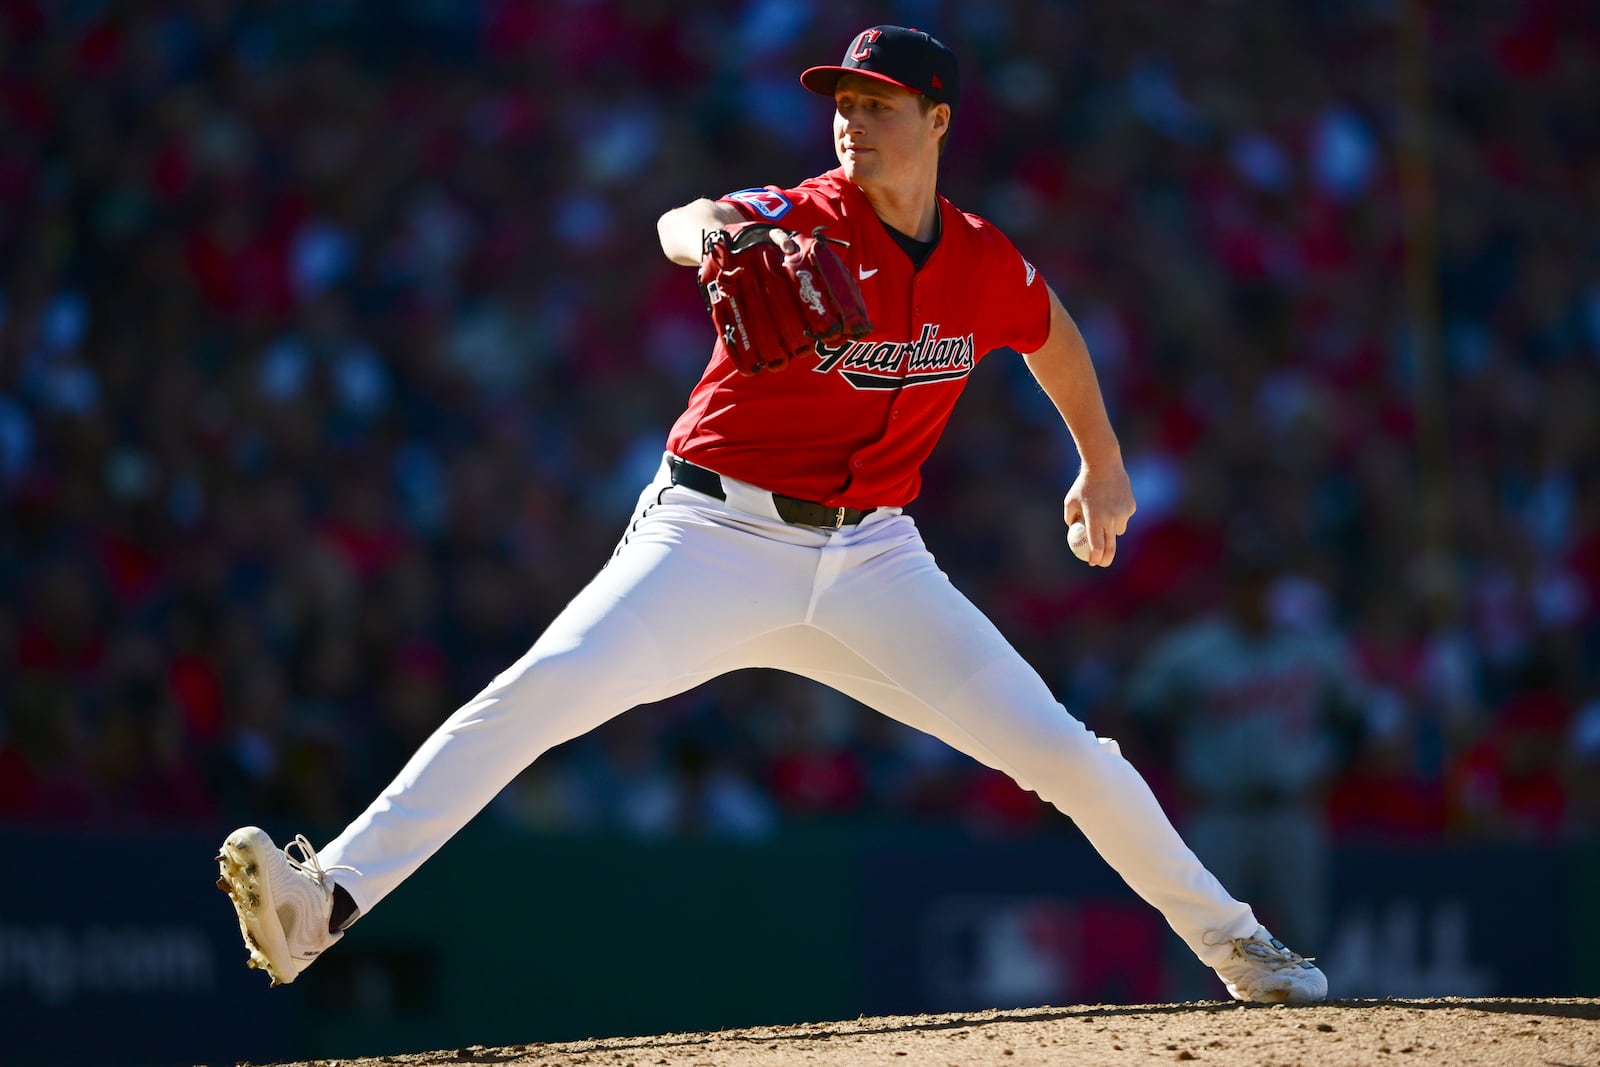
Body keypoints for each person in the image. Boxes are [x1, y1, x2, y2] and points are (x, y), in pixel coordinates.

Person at [216, 25, 1327, 1005]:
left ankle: (1238, 945)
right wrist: (716, 237)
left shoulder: (982, 259)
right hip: (712, 536)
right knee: (541, 693)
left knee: (1069, 755)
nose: (852, 122)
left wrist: (1101, 462)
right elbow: (680, 218)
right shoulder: (797, 215)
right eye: (842, 103)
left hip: (878, 560)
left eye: (879, 105)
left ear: (937, 120)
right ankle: (324, 901)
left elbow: (1051, 332)